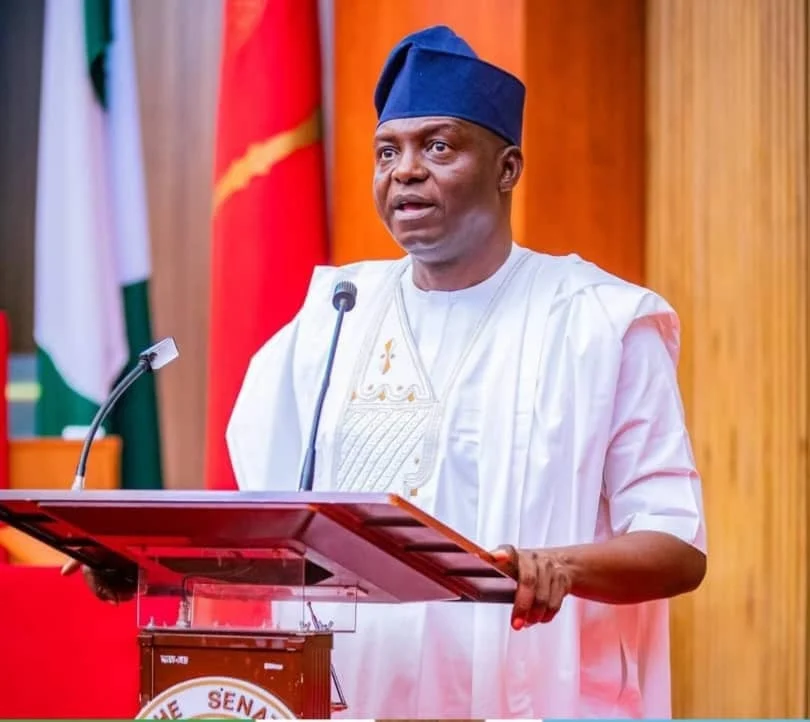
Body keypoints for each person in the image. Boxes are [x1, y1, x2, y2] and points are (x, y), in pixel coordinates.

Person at [72, 25, 707, 719]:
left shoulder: (600, 324)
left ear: (507, 168)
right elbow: (272, 531)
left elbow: (677, 547)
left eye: (438, 147)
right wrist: (152, 564)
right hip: (355, 701)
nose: (405, 171)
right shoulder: (333, 318)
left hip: (536, 701)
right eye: (387, 151)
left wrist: (560, 565)